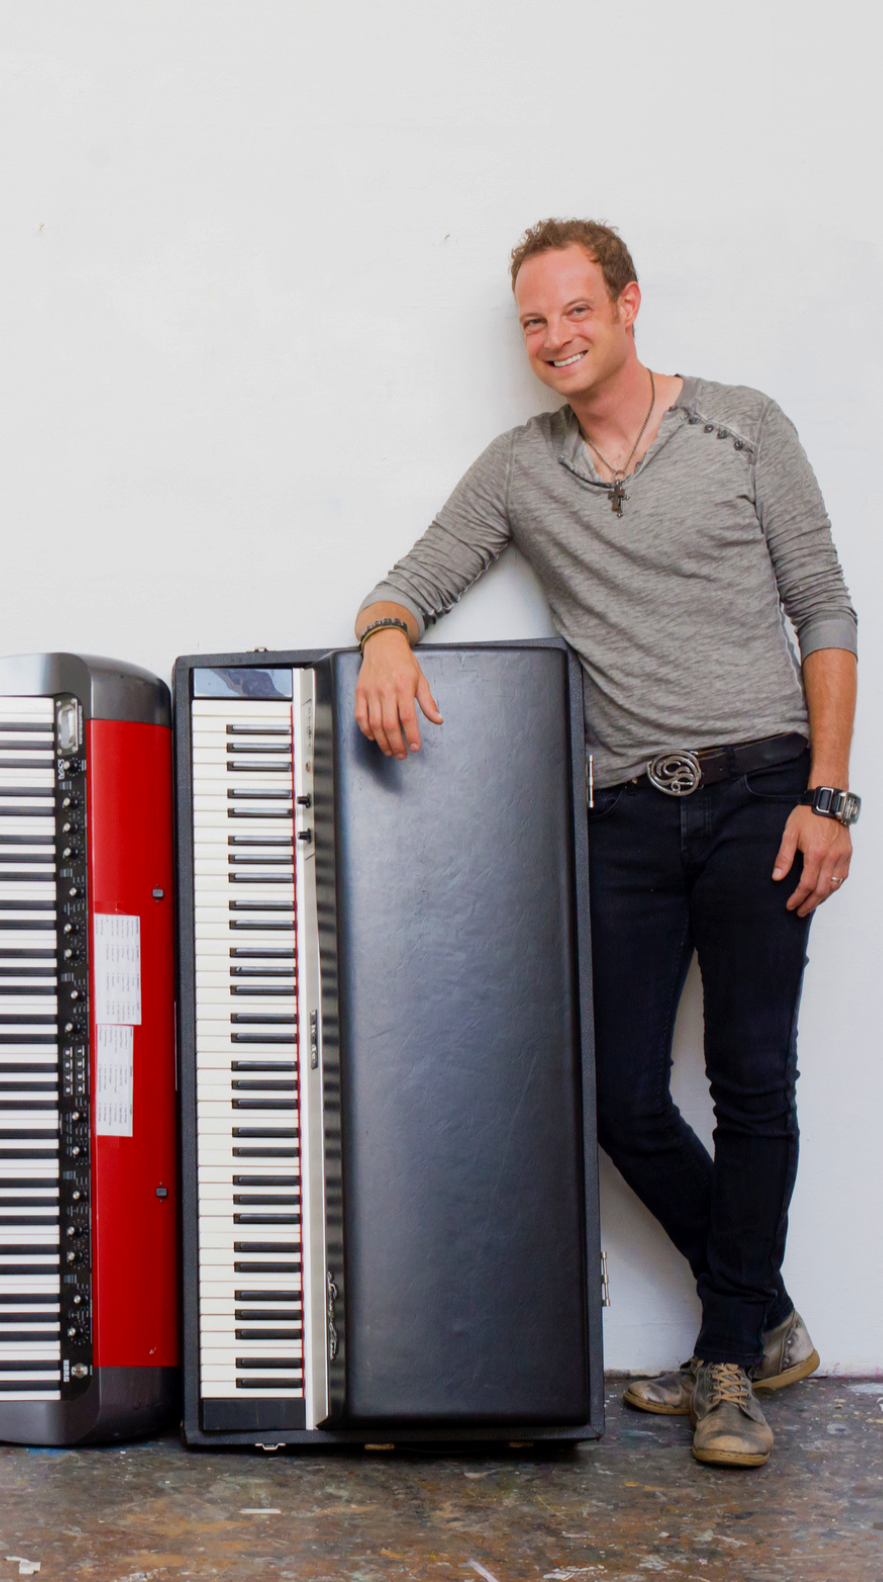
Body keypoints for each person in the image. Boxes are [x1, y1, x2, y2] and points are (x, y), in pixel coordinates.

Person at [352, 218, 858, 1469]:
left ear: (628, 305)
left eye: (576, 309)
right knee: (614, 1092)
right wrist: (385, 639)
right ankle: (763, 1315)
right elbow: (409, 578)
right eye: (534, 320)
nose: (555, 337)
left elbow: (824, 609)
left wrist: (829, 796)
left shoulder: (742, 426)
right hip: (624, 809)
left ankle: (726, 1358)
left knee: (752, 1079)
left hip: (761, 791)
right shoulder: (520, 469)